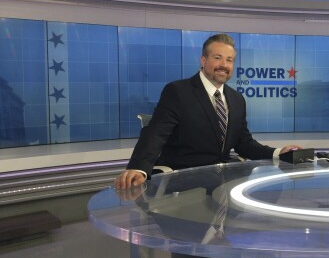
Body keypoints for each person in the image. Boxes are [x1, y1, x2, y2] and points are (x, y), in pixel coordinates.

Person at [115, 33, 302, 189]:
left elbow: (244, 144)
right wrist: (138, 168)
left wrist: (280, 152)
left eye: (229, 60)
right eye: (217, 57)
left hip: (224, 182)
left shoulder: (237, 99)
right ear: (203, 60)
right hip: (185, 184)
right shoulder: (178, 91)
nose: (224, 65)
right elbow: (155, 133)